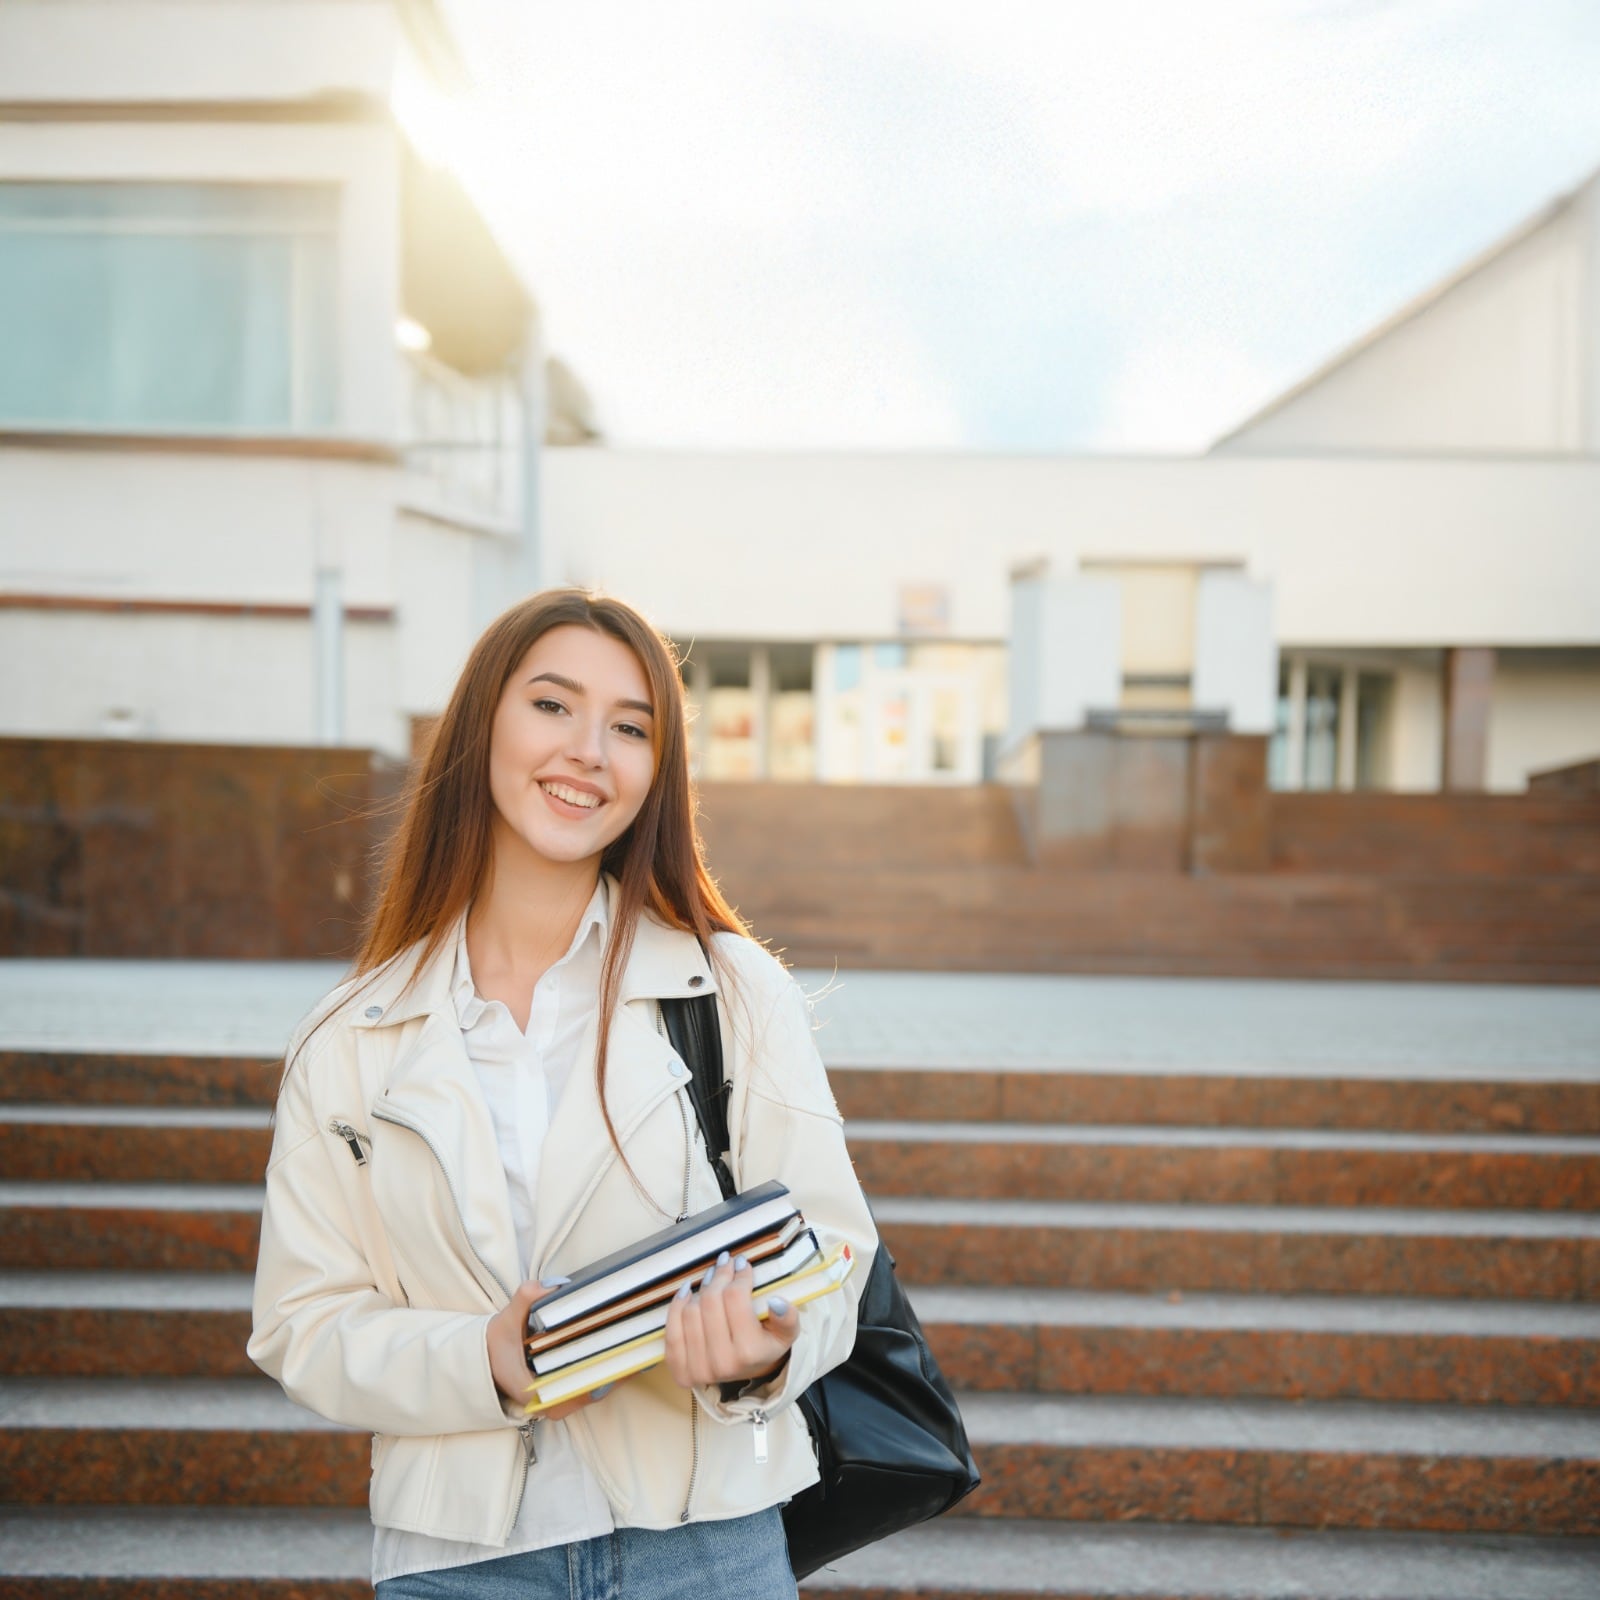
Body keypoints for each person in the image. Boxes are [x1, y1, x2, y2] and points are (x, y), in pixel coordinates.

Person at [249, 589, 877, 1599]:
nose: (589, 750)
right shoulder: (350, 1036)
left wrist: (763, 1355)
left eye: (631, 728)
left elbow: (836, 1258)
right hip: (456, 1564)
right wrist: (485, 1357)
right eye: (552, 705)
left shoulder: (729, 990)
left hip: (705, 1548)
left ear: (657, 772)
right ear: (482, 726)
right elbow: (302, 1325)